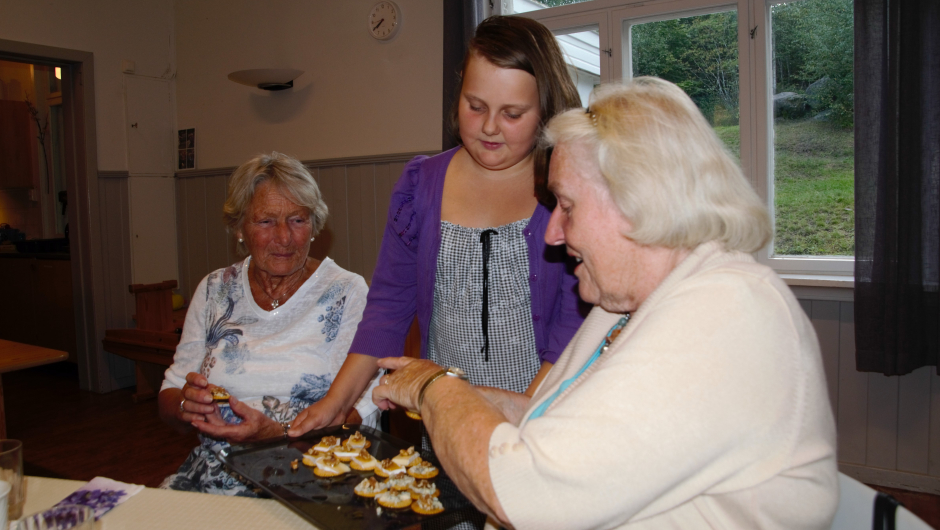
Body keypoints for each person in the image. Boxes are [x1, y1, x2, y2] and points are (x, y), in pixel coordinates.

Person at [373, 78, 839, 529]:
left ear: (639, 200)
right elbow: (553, 422)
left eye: (567, 207)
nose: (553, 234)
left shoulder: (729, 313)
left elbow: (527, 493)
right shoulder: (623, 308)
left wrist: (435, 387)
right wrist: (455, 391)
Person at [290, 16, 585, 435]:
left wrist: (523, 415)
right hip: (443, 423)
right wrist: (336, 402)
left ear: (546, 109)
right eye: (475, 105)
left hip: (541, 417)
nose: (488, 127)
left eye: (513, 113)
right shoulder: (420, 186)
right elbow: (388, 309)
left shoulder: (566, 191)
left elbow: (573, 327)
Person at [157, 152, 378, 496]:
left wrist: (276, 434)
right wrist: (189, 406)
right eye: (265, 222)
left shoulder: (346, 293)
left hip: (312, 475)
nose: (284, 237)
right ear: (239, 227)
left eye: (297, 220)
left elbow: (363, 411)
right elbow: (170, 392)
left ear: (314, 225)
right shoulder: (215, 290)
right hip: (215, 472)